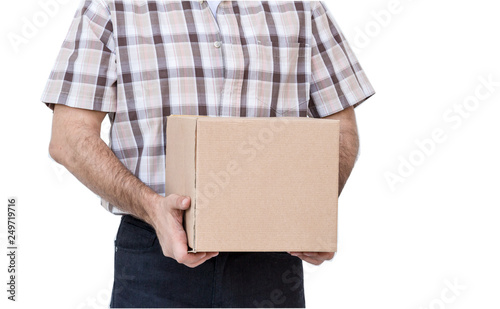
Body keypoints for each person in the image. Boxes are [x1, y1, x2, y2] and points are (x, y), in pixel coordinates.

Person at [41, 0, 375, 307]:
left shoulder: (300, 6)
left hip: (271, 258)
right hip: (155, 253)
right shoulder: (114, 6)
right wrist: (153, 208)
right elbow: (69, 138)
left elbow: (342, 130)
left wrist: (314, 211)